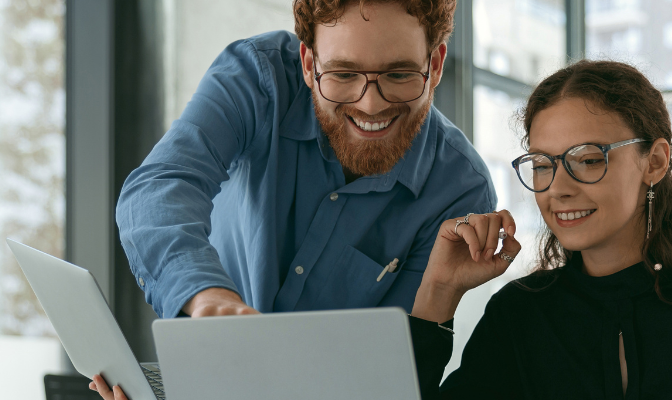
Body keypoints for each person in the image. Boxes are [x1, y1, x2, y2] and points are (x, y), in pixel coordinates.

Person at [90, 0, 511, 398]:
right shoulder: (257, 77)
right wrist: (207, 296)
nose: (370, 104)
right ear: (309, 64)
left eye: (399, 75)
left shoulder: (460, 192)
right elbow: (161, 186)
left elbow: (386, 378)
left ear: (434, 66)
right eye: (343, 75)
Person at [406, 60, 672, 399]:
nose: (557, 189)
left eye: (588, 159)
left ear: (653, 162)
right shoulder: (521, 316)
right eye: (542, 165)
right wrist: (440, 289)